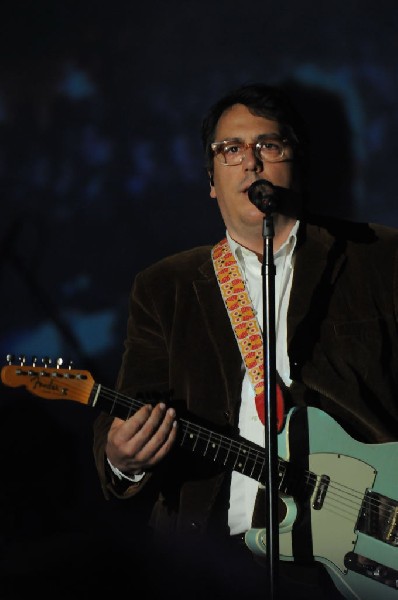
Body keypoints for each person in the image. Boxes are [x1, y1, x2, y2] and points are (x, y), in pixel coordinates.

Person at [93, 83, 398, 600]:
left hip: (365, 539)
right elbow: (134, 404)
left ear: (293, 163)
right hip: (218, 553)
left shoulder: (378, 258)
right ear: (211, 180)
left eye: (269, 145)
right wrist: (122, 456)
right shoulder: (165, 287)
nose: (251, 162)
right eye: (230, 150)